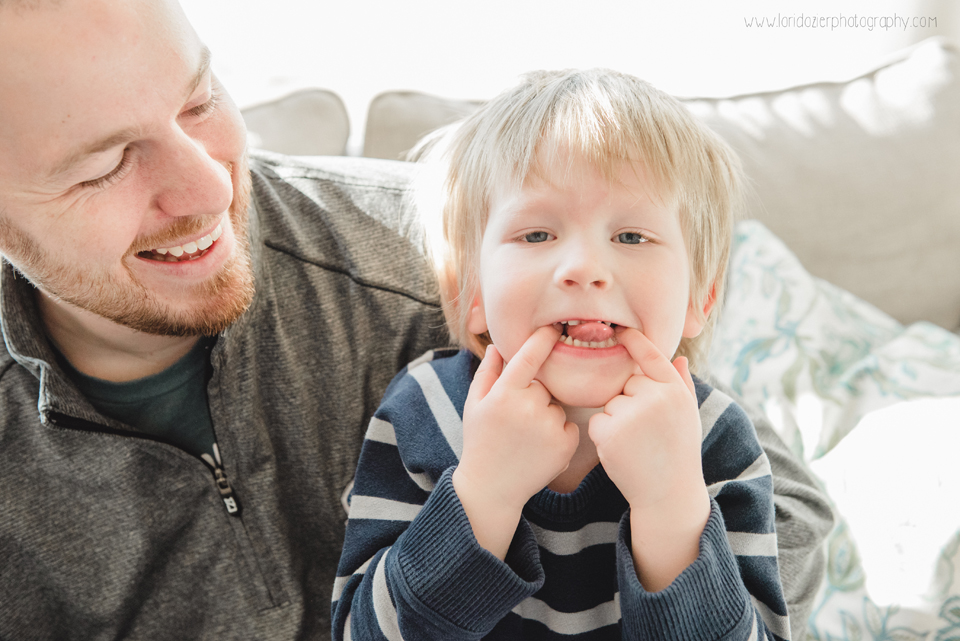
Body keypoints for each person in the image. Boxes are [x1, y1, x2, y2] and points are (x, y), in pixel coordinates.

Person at [0, 1, 831, 640]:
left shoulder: (426, 254)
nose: (211, 191)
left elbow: (787, 521)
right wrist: (485, 494)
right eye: (105, 166)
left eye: (199, 102)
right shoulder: (433, 400)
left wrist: (668, 508)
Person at [332, 69, 805, 640]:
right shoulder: (424, 410)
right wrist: (483, 493)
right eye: (537, 235)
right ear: (471, 292)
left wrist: (669, 508)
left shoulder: (714, 436)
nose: (584, 268)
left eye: (631, 237)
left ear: (699, 298)